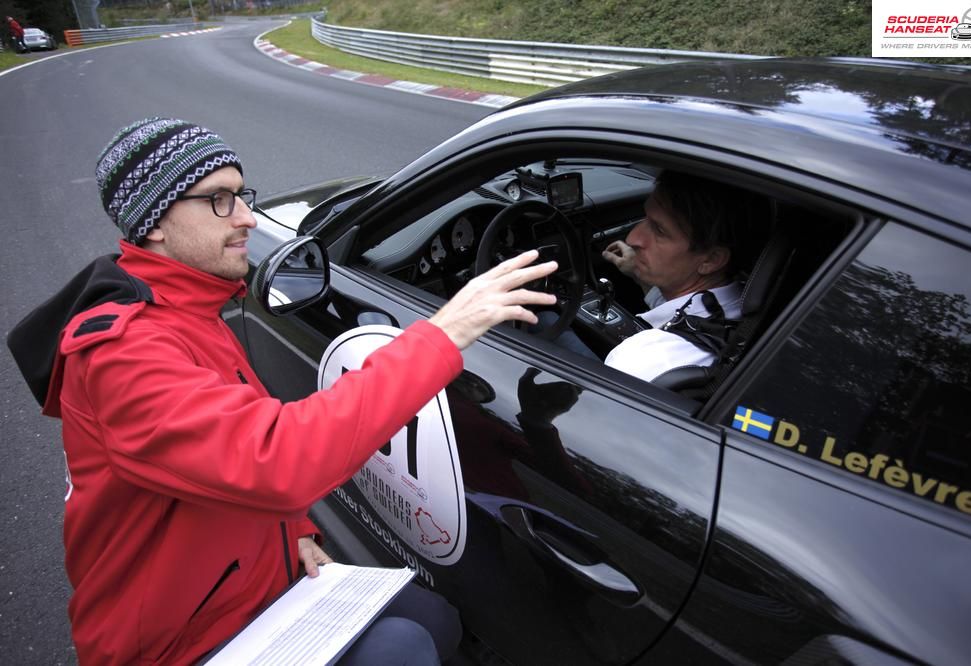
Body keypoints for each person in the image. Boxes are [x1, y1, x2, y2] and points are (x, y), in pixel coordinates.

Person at [6, 118, 558, 665]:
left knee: (436, 619)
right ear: (156, 222)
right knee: (404, 648)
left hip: (238, 582)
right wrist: (443, 334)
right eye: (219, 199)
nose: (246, 216)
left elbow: (226, 444)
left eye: (242, 194)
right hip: (172, 640)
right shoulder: (124, 354)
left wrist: (293, 529)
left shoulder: (187, 308)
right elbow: (274, 458)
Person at [599, 172, 766, 382]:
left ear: (712, 260)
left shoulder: (637, 361)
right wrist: (638, 272)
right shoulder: (746, 300)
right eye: (645, 218)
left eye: (659, 230)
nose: (633, 238)